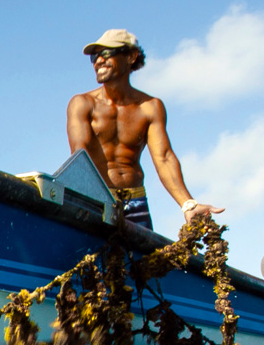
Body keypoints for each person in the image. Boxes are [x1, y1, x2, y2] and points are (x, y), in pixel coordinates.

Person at [65, 29, 222, 231]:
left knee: (142, 262)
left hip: (136, 201)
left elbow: (164, 157)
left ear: (131, 56)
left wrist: (188, 204)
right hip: (96, 200)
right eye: (94, 57)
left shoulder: (150, 107)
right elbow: (80, 156)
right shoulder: (83, 103)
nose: (98, 61)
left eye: (106, 54)